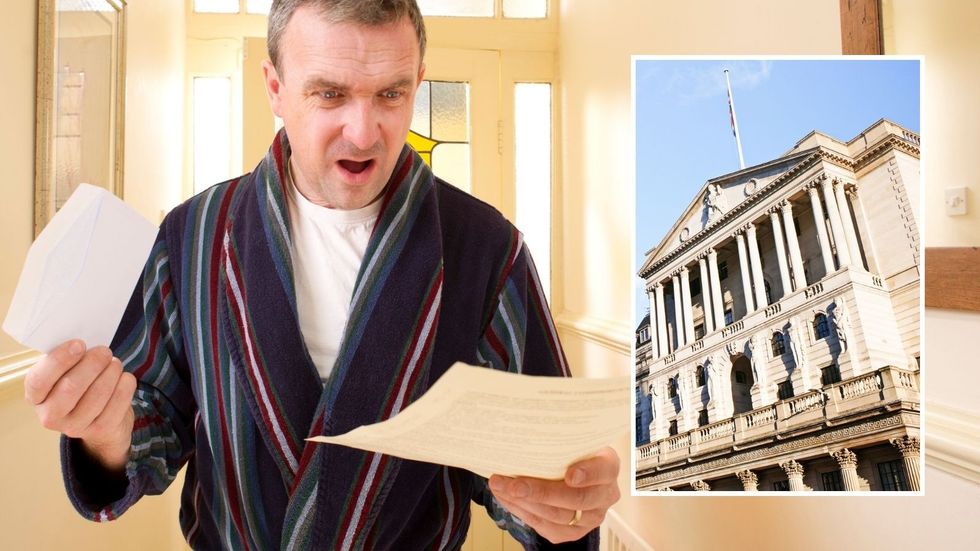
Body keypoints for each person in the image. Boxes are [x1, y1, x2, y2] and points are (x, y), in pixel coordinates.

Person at [23, 1, 620, 549]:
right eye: (330, 95)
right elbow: (149, 417)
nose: (365, 133)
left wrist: (563, 500)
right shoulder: (192, 236)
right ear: (276, 88)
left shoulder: (489, 249)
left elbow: (534, 469)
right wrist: (104, 432)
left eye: (391, 95)